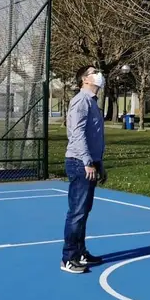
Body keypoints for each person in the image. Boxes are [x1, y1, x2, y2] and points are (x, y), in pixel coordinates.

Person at [61, 65, 107, 274]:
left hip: (90, 162)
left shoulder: (92, 102)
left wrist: (99, 163)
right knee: (77, 212)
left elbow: (94, 136)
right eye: (94, 72)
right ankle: (69, 258)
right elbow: (77, 133)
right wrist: (88, 161)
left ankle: (80, 252)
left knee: (84, 211)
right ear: (85, 79)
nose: (99, 74)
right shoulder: (81, 101)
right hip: (79, 162)